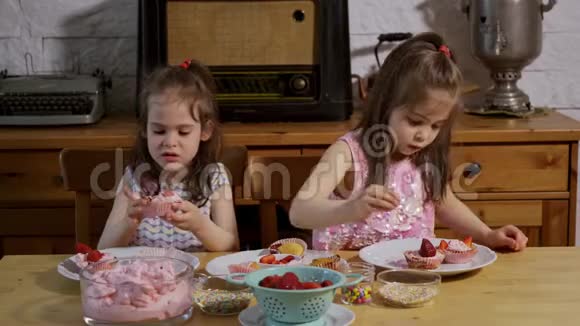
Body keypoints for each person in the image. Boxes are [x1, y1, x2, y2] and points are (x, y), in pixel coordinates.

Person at [289, 33, 528, 251]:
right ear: (387, 103)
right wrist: (351, 208)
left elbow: (443, 202)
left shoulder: (424, 156)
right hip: (351, 278)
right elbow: (300, 212)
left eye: (436, 126)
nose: (424, 135)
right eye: (415, 121)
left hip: (412, 279)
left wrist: (487, 234)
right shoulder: (348, 152)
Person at [98, 59, 239, 252]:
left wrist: (200, 225)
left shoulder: (214, 177)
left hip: (195, 278)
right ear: (145, 130)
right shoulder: (133, 178)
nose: (170, 142)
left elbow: (231, 246)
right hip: (142, 278)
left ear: (205, 131)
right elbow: (103, 249)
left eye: (183, 132)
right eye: (158, 131)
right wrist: (129, 222)